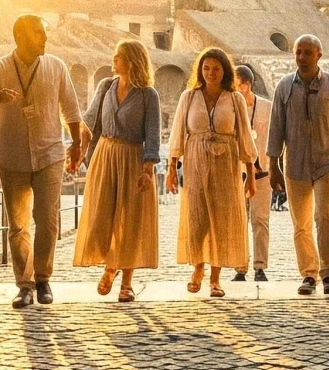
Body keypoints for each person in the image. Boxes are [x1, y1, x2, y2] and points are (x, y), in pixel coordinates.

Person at [0, 15, 84, 309]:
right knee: (19, 225)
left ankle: (43, 278)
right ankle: (24, 285)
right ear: (20, 37)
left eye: (44, 33)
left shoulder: (56, 66)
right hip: (12, 157)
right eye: (38, 33)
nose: (45, 38)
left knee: (47, 220)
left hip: (50, 154)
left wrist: (76, 144)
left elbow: (71, 108)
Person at [73, 40, 161, 303]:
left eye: (119, 56)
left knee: (130, 220)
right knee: (101, 215)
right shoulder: (106, 86)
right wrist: (78, 150)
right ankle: (111, 265)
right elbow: (90, 123)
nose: (114, 59)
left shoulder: (148, 95)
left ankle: (126, 282)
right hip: (105, 155)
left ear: (132, 61)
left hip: (133, 159)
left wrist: (147, 170)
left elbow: (153, 134)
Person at [267, 34, 329, 296]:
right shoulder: (284, 86)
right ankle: (308, 273)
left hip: (327, 161)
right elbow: (276, 127)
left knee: (326, 217)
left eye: (307, 53)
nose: (302, 57)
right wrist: (273, 165)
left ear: (319, 55)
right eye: (298, 52)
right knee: (301, 223)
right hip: (295, 163)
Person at [167, 47, 257, 297]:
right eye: (206, 68)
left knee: (222, 219)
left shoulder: (235, 99)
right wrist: (172, 167)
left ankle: (216, 278)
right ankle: (198, 267)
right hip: (195, 160)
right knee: (197, 217)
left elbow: (244, 137)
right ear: (200, 70)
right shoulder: (188, 97)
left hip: (226, 163)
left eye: (216, 69)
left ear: (224, 71)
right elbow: (178, 132)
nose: (211, 73)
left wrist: (250, 175)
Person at [232, 64, 272, 283]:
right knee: (238, 221)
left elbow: (275, 139)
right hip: (237, 174)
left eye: (238, 85)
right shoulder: (230, 107)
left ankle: (260, 266)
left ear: (247, 85)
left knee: (260, 221)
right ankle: (240, 267)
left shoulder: (267, 107)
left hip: (262, 173)